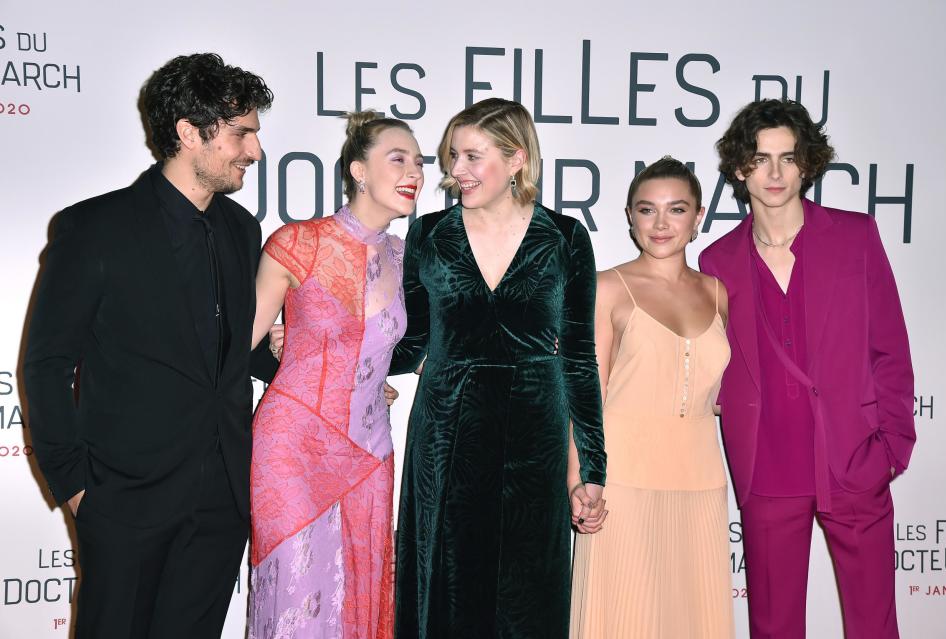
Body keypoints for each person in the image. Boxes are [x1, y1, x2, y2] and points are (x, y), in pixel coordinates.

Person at [23, 52, 276, 638]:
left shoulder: (242, 230)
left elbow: (233, 350)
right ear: (190, 132)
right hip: (125, 499)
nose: (255, 151)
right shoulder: (95, 227)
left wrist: (289, 353)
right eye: (242, 134)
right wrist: (77, 487)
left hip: (221, 495)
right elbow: (46, 363)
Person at [389, 97, 607, 639]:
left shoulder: (565, 237)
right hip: (447, 429)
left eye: (470, 156)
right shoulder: (430, 235)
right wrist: (320, 347)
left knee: (527, 595)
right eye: (452, 157)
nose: (454, 171)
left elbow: (579, 356)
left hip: (535, 429)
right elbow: (411, 340)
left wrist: (593, 468)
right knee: (448, 586)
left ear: (517, 160)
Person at [699, 98, 916, 638]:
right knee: (774, 629)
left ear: (807, 164)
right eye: (760, 158)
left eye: (788, 158)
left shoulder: (854, 236)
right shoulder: (717, 262)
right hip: (767, 472)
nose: (774, 173)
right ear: (739, 167)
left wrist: (891, 448)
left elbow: (890, 348)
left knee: (874, 626)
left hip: (852, 460)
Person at [247, 111, 423, 638]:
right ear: (358, 171)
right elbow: (234, 346)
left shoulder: (409, 256)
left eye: (418, 161)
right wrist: (287, 353)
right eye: (398, 158)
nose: (413, 170)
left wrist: (371, 377)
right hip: (293, 444)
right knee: (296, 599)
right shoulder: (297, 241)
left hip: (370, 447)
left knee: (359, 597)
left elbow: (407, 345)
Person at [569, 158, 735, 638]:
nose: (661, 224)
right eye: (647, 210)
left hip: (701, 479)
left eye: (676, 209)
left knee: (693, 619)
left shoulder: (720, 293)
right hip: (622, 483)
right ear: (629, 216)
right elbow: (585, 398)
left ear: (698, 217)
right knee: (622, 616)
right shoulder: (605, 288)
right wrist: (580, 480)